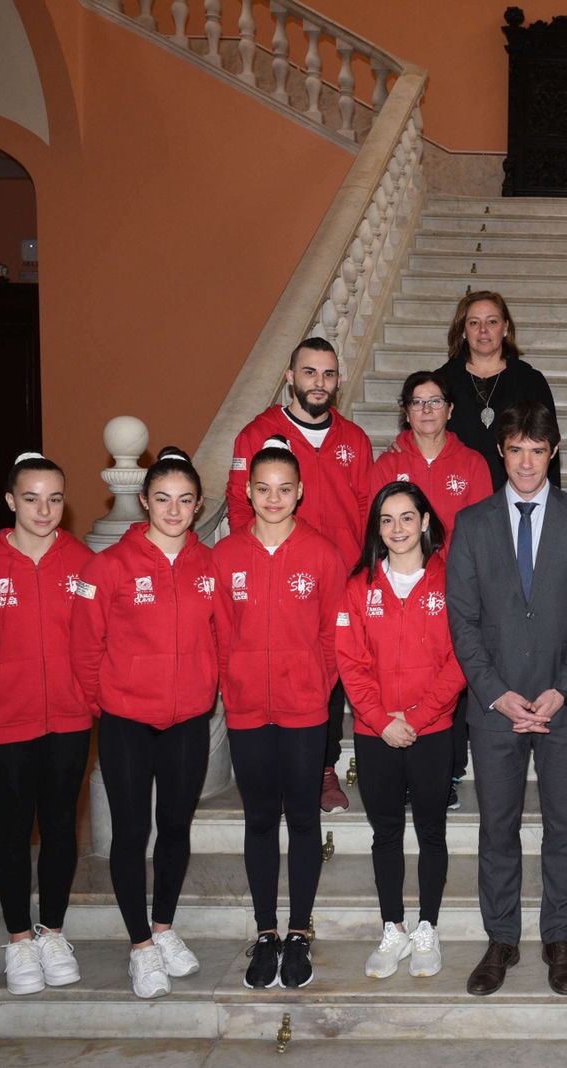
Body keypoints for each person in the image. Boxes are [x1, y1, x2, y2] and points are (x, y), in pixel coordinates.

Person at [446, 400, 567, 997]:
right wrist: (495, 694)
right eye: (515, 449)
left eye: (537, 450)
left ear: (554, 453)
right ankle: (501, 940)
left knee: (564, 827)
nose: (525, 462)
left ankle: (558, 939)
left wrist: (562, 690)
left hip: (563, 706)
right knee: (498, 827)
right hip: (495, 710)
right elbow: (462, 622)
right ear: (501, 451)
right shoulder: (472, 523)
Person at [71, 447, 218, 1000]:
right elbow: (85, 648)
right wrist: (105, 704)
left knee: (176, 829)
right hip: (127, 722)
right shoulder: (108, 567)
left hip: (187, 721)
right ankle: (139, 947)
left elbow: (220, 639)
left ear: (198, 504)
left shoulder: (210, 567)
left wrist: (207, 687)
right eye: (162, 499)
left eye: (184, 500)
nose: (174, 510)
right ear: (143, 501)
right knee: (132, 833)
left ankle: (164, 929)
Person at [0, 452, 94, 996]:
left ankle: (51, 932)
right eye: (31, 498)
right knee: (13, 827)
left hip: (71, 718)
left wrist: (87, 696)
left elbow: (97, 640)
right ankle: (18, 941)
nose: (44, 509)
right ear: (11, 501)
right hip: (7, 721)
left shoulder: (82, 564)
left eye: (55, 498)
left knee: (59, 825)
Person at [212, 438, 343, 990]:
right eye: (263, 489)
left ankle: (299, 933)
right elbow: (217, 632)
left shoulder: (321, 553)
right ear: (248, 491)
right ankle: (266, 932)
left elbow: (333, 635)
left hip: (304, 708)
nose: (273, 498)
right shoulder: (226, 557)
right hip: (246, 709)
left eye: (284, 489)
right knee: (261, 820)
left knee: (304, 820)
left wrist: (314, 682)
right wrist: (233, 681)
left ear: (300, 493)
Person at [227, 336, 372, 815]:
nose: (320, 383)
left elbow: (366, 509)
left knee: (330, 670)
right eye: (310, 373)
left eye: (329, 374)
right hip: (277, 576)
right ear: (290, 377)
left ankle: (325, 768)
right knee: (287, 666)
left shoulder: (354, 439)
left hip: (341, 578)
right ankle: (277, 765)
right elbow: (237, 504)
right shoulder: (256, 433)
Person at [338, 481, 466, 981]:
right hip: (376, 735)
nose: (397, 529)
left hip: (433, 731)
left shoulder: (451, 581)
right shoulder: (358, 587)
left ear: (425, 522)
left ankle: (427, 927)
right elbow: (351, 663)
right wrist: (380, 720)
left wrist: (417, 718)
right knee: (386, 833)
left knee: (432, 831)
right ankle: (393, 927)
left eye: (407, 518)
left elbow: (460, 660)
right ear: (377, 528)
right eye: (387, 520)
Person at [370, 370, 491, 810]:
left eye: (435, 401)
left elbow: (480, 532)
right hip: (399, 587)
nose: (426, 410)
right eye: (417, 403)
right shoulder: (385, 464)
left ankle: (450, 771)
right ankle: (399, 765)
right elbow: (376, 526)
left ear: (450, 409)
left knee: (449, 676)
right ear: (405, 412)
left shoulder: (473, 463)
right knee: (402, 672)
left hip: (453, 587)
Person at [436, 291, 558, 493]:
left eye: (492, 322)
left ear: (505, 328)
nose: (483, 330)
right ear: (463, 331)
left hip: (516, 492)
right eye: (474, 323)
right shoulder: (441, 381)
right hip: (454, 490)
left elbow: (547, 445)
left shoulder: (531, 381)